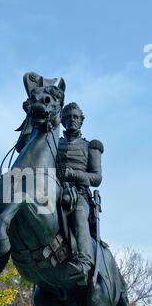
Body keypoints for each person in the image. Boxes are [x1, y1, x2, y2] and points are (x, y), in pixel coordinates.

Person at [57, 102, 104, 284]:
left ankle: (84, 262)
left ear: (81, 120)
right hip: (54, 190)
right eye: (68, 118)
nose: (72, 121)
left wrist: (72, 175)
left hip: (80, 193)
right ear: (62, 121)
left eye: (75, 117)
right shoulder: (54, 144)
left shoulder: (91, 146)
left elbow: (96, 178)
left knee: (78, 213)